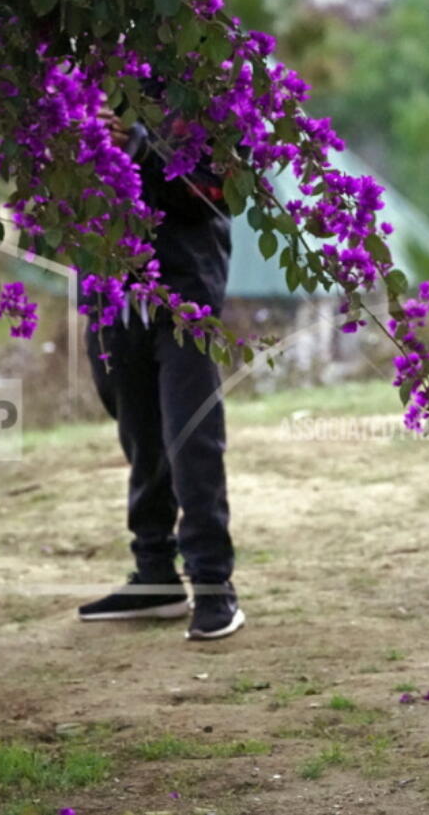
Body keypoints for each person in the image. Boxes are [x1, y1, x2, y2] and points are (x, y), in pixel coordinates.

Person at [76, 109, 244, 640]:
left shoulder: (199, 88)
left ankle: (213, 584)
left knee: (190, 436)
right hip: (110, 292)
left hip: (183, 291)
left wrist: (144, 149)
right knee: (139, 433)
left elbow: (219, 193)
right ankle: (154, 575)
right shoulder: (83, 80)